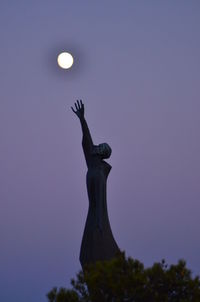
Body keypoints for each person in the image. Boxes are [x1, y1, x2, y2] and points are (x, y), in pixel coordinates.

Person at [71, 100, 120, 268]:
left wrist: (99, 223)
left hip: (96, 217)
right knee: (85, 254)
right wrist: (82, 120)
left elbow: (99, 201)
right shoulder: (92, 164)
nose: (96, 146)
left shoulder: (99, 173)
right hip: (91, 214)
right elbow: (86, 142)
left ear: (102, 153)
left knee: (92, 252)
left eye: (100, 146)